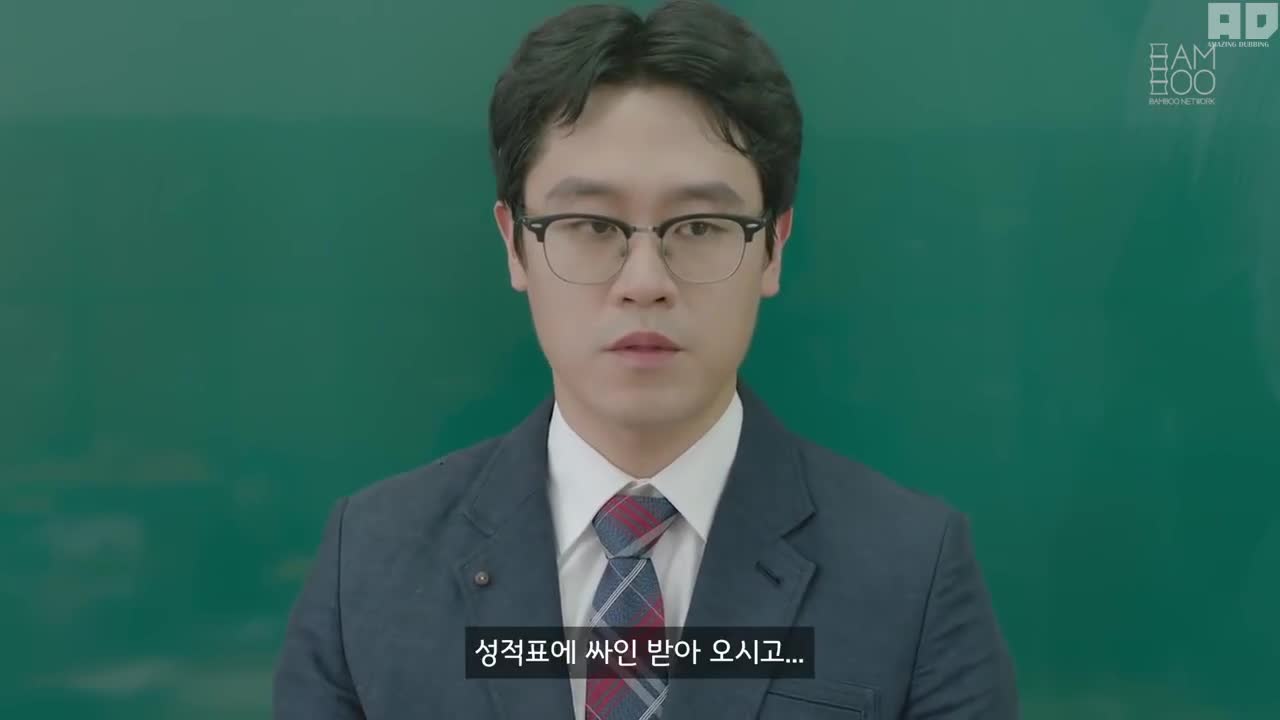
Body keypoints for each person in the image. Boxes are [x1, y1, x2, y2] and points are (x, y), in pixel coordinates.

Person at [272, 1, 1019, 718]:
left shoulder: (913, 571)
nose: (644, 282)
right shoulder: (367, 562)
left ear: (772, 247)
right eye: (590, 224)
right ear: (515, 245)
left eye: (699, 226)